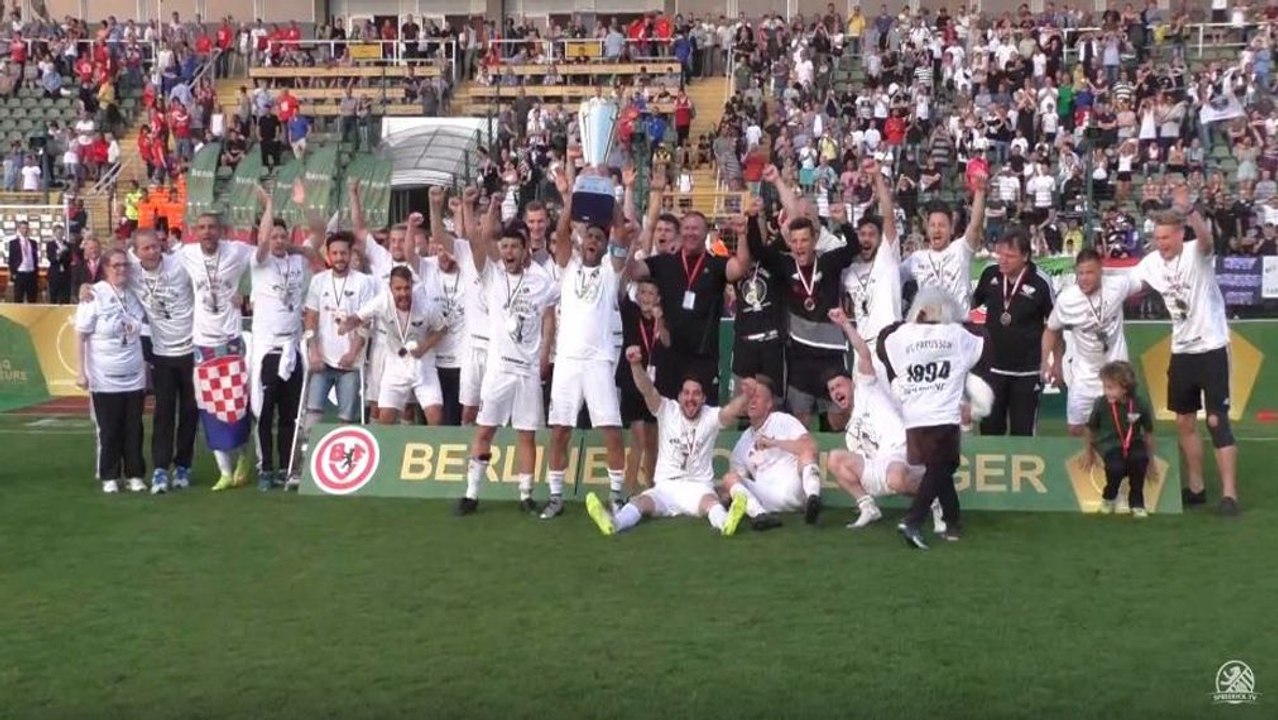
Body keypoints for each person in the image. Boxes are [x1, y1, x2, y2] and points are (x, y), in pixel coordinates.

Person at [1128, 204, 1239, 516]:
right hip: (1182, 351)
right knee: (1183, 421)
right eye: (1157, 237)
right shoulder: (1151, 263)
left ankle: (1230, 495)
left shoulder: (1195, 252)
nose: (1161, 243)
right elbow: (1128, 284)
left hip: (1212, 347)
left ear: (1179, 235)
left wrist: (1191, 212)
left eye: (1166, 237)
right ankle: (1196, 487)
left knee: (1217, 421)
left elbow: (1206, 241)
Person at [455, 194, 559, 516]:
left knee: (526, 435)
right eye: (505, 247)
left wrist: (546, 351)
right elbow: (477, 239)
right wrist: (481, 208)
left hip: (527, 372)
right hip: (498, 369)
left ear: (527, 247)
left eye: (515, 246)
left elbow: (553, 314)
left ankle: (526, 495)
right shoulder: (493, 275)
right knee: (485, 429)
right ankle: (471, 494)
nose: (509, 252)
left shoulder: (543, 282)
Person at [583, 345, 752, 537]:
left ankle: (726, 523)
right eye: (686, 393)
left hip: (698, 487)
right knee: (640, 502)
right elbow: (647, 390)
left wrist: (747, 396)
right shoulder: (667, 410)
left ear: (704, 398)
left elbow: (730, 412)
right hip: (665, 487)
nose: (690, 398)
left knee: (710, 504)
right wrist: (635, 365)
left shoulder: (710, 416)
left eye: (696, 394)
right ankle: (614, 523)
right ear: (679, 396)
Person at [543, 153, 632, 519]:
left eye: (599, 237)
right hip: (566, 361)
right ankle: (556, 495)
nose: (593, 241)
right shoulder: (568, 267)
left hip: (598, 361)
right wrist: (570, 199)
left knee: (610, 430)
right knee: (560, 430)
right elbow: (562, 233)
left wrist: (609, 193)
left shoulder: (612, 272)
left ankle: (616, 494)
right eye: (589, 237)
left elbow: (623, 233)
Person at [878, 287, 991, 549]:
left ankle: (953, 522)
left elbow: (884, 341)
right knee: (942, 468)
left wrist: (897, 380)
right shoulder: (955, 333)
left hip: (915, 416)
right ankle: (913, 520)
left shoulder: (902, 334)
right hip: (943, 413)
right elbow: (984, 341)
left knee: (940, 468)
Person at [826, 308, 935, 530]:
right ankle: (868, 507)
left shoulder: (867, 388)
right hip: (877, 467)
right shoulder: (850, 430)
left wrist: (846, 324)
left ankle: (934, 495)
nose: (836, 391)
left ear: (852, 383)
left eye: (839, 385)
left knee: (896, 477)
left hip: (903, 453)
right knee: (835, 458)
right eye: (831, 390)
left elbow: (864, 353)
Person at [176, 213, 258, 491]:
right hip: (202, 343)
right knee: (210, 408)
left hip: (231, 340)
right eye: (202, 228)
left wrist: (246, 297)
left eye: (212, 227)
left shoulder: (236, 250)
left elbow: (268, 260)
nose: (207, 232)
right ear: (194, 231)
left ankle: (245, 456)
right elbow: (147, 263)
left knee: (235, 407)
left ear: (221, 230)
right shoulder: (185, 254)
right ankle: (223, 471)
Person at [248, 190, 313, 490]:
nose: (277, 240)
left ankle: (287, 467)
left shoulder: (297, 261)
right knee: (264, 414)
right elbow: (261, 242)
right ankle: (266, 468)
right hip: (267, 349)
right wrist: (270, 205)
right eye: (273, 236)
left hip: (293, 347)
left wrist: (303, 204)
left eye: (281, 236)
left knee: (290, 415)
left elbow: (320, 239)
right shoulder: (259, 262)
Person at [75, 248, 148, 493]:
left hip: (134, 374)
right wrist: (80, 371)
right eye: (115, 265)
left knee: (134, 428)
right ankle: (109, 476)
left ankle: (135, 474)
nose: (121, 269)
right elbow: (81, 334)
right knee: (109, 428)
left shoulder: (135, 294)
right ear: (105, 268)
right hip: (105, 376)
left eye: (124, 265)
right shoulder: (93, 295)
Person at [130, 231, 196, 493]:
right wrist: (86, 286)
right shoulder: (132, 271)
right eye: (146, 248)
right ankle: (160, 469)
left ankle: (183, 465)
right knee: (163, 414)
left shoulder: (180, 263)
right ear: (136, 252)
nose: (152, 252)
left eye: (155, 247)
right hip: (162, 353)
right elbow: (109, 269)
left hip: (191, 350)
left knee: (190, 412)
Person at [971, 230, 1055, 436]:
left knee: (1023, 433)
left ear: (1025, 256)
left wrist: (1051, 361)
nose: (1003, 260)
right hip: (992, 370)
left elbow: (1055, 324)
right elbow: (972, 305)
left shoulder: (1041, 282)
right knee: (989, 430)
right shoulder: (990, 273)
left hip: (1026, 373)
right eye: (1000, 254)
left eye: (1010, 256)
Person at [1041, 248, 1132, 436]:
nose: (1084, 278)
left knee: (1121, 428)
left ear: (1101, 271)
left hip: (1116, 371)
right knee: (1075, 428)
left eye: (1089, 272)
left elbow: (1146, 279)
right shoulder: (1067, 299)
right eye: (1080, 273)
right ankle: (1083, 464)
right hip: (1084, 375)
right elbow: (1051, 329)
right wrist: (1047, 363)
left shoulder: (1118, 286)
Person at [342, 266, 446, 425]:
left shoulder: (425, 305)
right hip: (395, 365)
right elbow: (358, 318)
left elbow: (442, 328)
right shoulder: (382, 301)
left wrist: (424, 347)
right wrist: (345, 325)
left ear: (412, 286)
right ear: (390, 288)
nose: (403, 293)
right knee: (385, 418)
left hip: (423, 365)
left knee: (435, 417)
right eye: (398, 289)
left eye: (407, 288)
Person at [720, 374, 822, 531]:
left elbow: (811, 447)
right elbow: (738, 478)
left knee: (807, 453)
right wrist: (725, 498)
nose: (752, 401)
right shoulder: (743, 442)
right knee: (729, 478)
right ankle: (759, 515)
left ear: (768, 404)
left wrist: (775, 443)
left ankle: (813, 500)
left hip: (794, 490)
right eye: (750, 397)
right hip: (766, 497)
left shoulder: (783, 420)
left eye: (758, 397)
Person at [304, 232, 376, 429]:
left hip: (350, 364)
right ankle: (306, 454)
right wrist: (314, 351)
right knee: (312, 413)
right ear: (328, 255)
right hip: (323, 360)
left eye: (343, 253)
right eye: (334, 253)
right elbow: (311, 317)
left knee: (347, 419)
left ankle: (347, 457)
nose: (339, 258)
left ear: (350, 253)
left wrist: (353, 352)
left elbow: (365, 322)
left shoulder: (363, 282)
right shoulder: (319, 280)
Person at [903, 169, 988, 310]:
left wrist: (980, 193)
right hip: (928, 327)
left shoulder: (961, 250)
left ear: (952, 229)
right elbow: (892, 276)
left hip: (958, 327)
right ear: (927, 229)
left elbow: (975, 225)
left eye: (942, 225)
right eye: (933, 225)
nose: (936, 230)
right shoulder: (916, 259)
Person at [616, 276, 669, 497]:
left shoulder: (664, 318)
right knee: (638, 438)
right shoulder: (630, 314)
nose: (647, 297)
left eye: (651, 293)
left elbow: (667, 342)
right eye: (643, 293)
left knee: (652, 439)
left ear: (658, 298)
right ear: (637, 296)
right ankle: (628, 490)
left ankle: (651, 487)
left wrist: (662, 321)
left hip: (655, 385)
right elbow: (620, 289)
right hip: (631, 383)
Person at [1083, 360, 1156, 518]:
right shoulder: (1101, 403)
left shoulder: (1139, 403)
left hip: (1133, 441)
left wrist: (1151, 460)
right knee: (1115, 468)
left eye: (1110, 387)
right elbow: (1090, 427)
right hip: (1110, 444)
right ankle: (1109, 497)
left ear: (1125, 388)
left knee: (1139, 459)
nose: (1106, 391)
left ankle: (1137, 503)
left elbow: (1148, 431)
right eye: (1105, 387)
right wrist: (1088, 451)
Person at [7, 221, 39, 302]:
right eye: (23, 228)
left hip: (31, 274)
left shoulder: (33, 243)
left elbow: (35, 258)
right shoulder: (13, 243)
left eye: (26, 228)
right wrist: (13, 273)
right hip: (19, 274)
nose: (25, 230)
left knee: (32, 298)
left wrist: (36, 272)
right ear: (19, 229)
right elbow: (11, 259)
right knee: (18, 298)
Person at [46, 229, 74, 304]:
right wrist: (58, 254)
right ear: (54, 234)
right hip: (54, 274)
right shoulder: (50, 244)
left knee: (66, 296)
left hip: (65, 274)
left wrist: (63, 257)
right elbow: (51, 258)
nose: (59, 234)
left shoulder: (68, 245)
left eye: (61, 233)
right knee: (53, 296)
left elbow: (70, 258)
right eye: (58, 233)